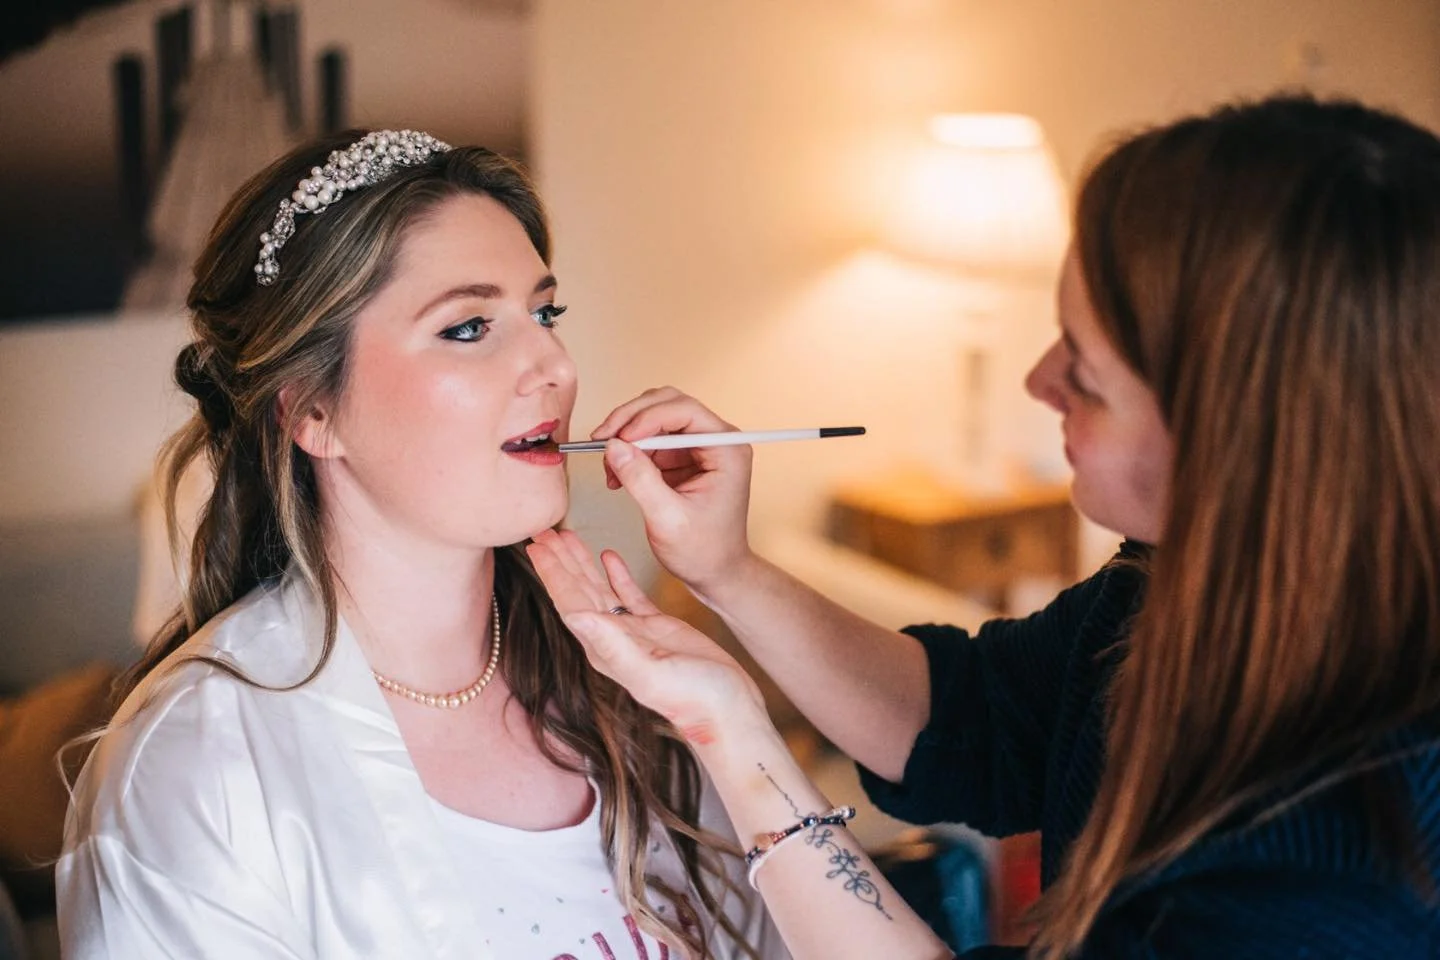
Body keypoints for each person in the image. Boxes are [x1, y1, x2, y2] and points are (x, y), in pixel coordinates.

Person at [525, 94, 1440, 958]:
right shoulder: (1164, 589)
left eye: (1086, 375)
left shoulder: (1337, 882)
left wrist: (731, 727)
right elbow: (970, 719)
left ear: (1237, 439)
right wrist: (728, 569)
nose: (1039, 382)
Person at [57, 129, 783, 960]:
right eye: (468, 327)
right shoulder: (198, 772)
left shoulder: (627, 680)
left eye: (545, 313)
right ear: (311, 412)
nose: (554, 363)